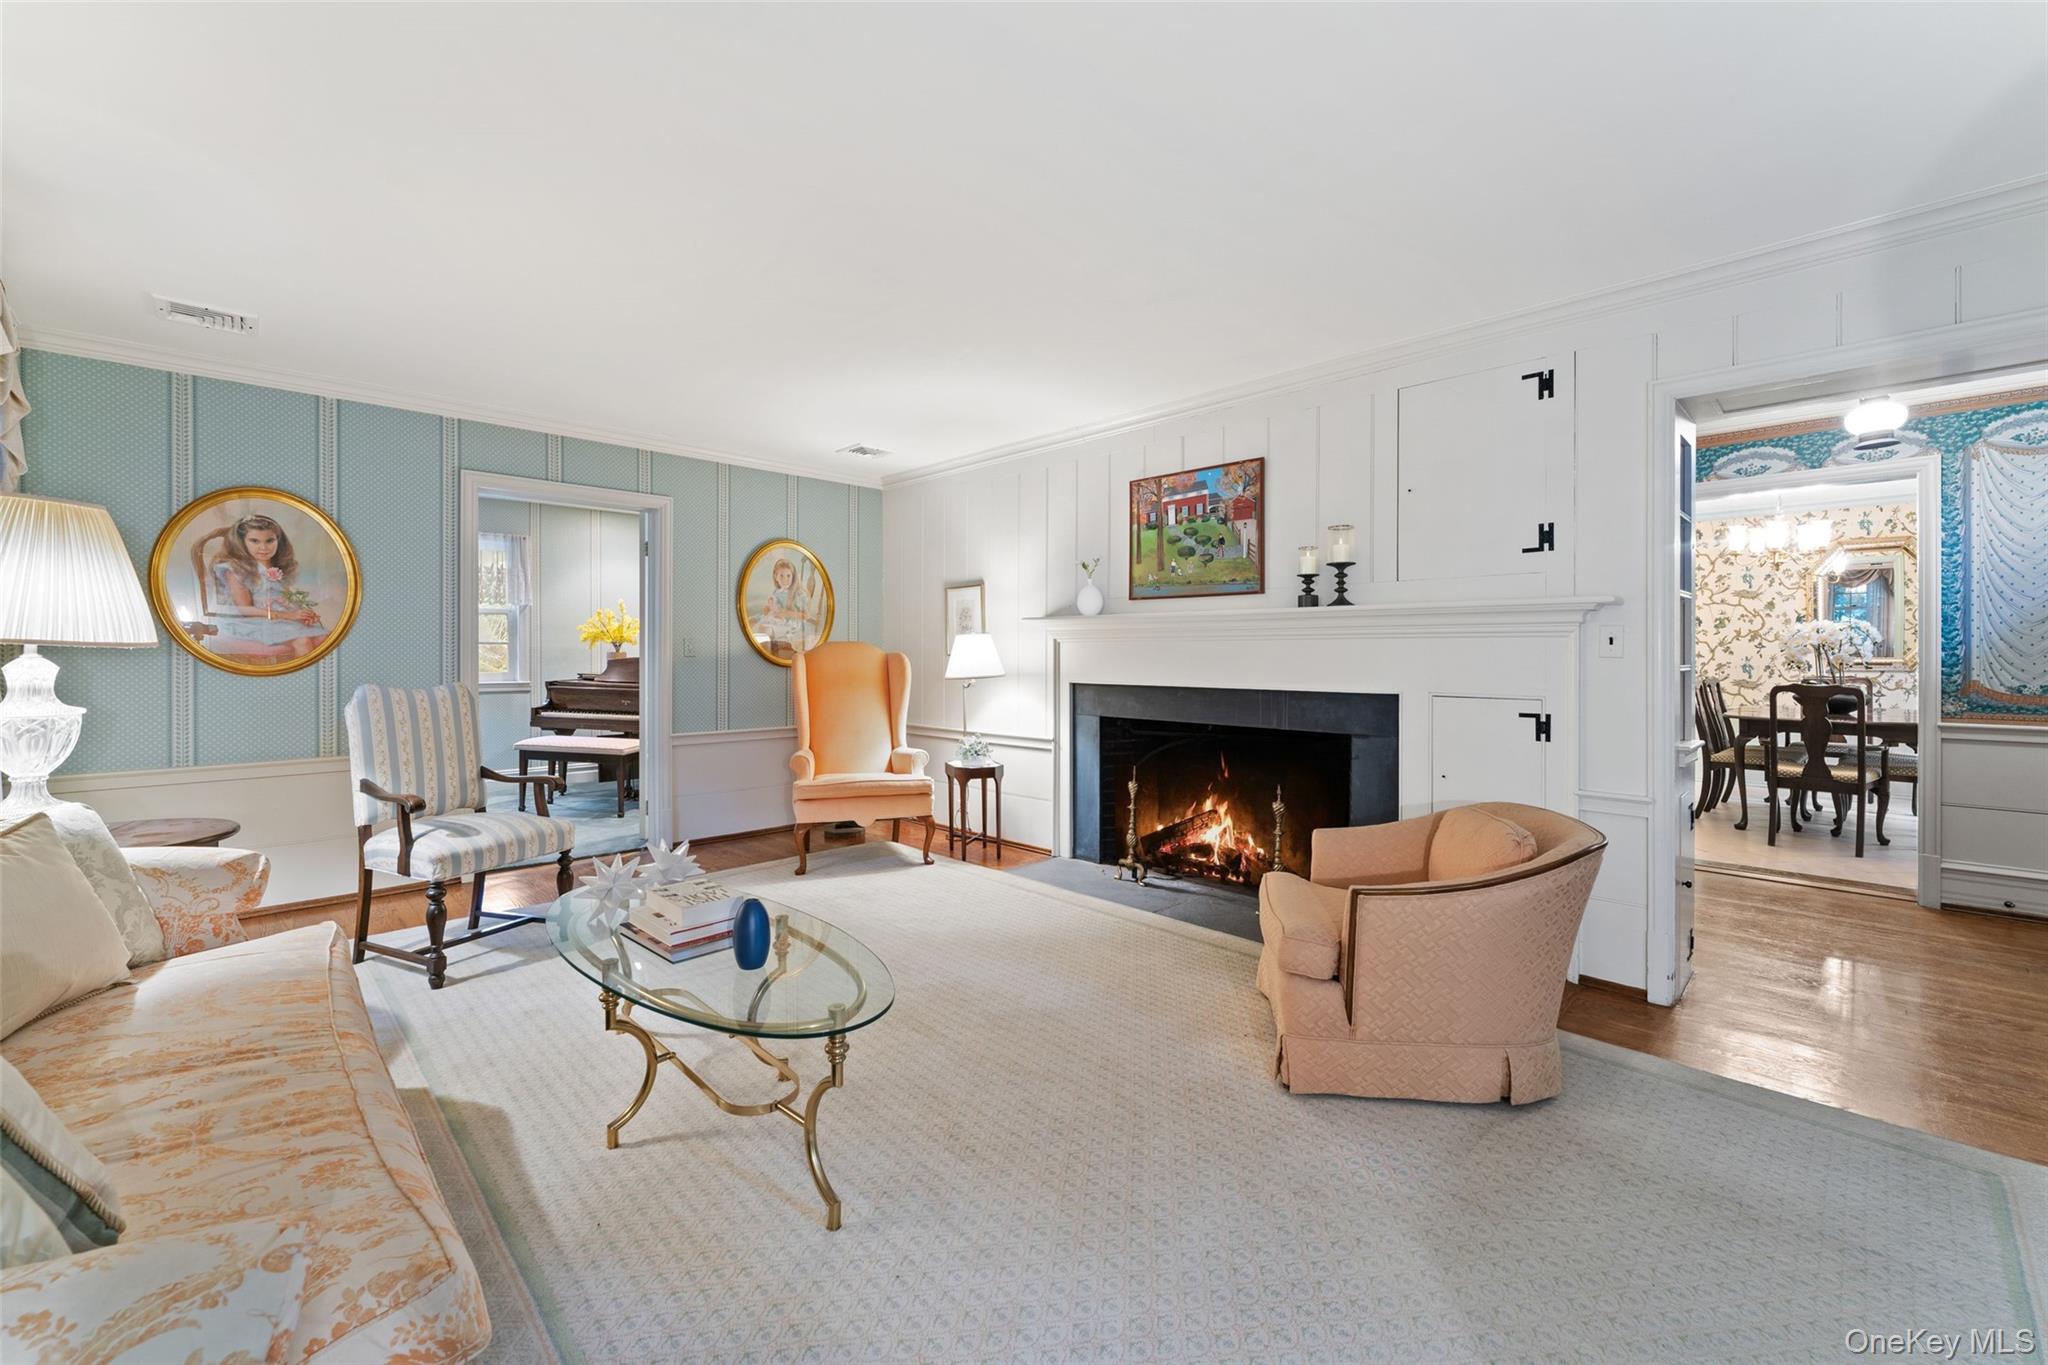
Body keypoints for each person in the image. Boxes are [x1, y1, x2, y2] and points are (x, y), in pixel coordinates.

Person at [202, 513, 327, 661]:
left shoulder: (278, 566)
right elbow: (244, 610)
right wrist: (289, 616)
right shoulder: (236, 570)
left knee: (322, 638)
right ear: (242, 542)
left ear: (278, 541)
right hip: (250, 621)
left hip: (280, 618)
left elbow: (285, 597)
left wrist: (302, 613)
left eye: (270, 541)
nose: (263, 547)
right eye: (254, 541)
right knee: (303, 641)